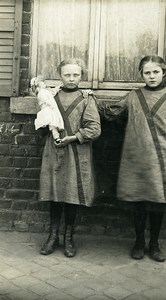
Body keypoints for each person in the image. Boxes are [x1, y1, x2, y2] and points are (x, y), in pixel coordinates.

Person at [98, 55, 166, 262]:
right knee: (138, 200)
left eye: (155, 72)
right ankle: (139, 242)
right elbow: (112, 112)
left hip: (162, 158)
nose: (151, 76)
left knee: (157, 201)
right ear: (142, 75)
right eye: (147, 73)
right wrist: (89, 101)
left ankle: (154, 244)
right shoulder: (134, 97)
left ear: (164, 73)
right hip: (136, 158)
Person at [39, 58, 101, 257]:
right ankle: (52, 236)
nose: (72, 79)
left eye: (76, 75)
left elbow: (94, 129)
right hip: (55, 151)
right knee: (55, 193)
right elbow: (42, 123)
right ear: (60, 75)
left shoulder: (87, 99)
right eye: (67, 74)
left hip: (76, 152)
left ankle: (68, 237)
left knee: (72, 195)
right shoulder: (51, 96)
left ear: (82, 76)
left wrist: (73, 137)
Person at [31, 76, 64, 144]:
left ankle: (56, 137)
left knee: (53, 124)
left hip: (51, 109)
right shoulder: (41, 92)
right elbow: (45, 100)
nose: (44, 83)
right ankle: (56, 138)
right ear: (38, 85)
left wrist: (59, 87)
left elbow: (53, 92)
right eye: (42, 82)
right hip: (48, 109)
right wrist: (50, 104)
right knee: (52, 124)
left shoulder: (46, 91)